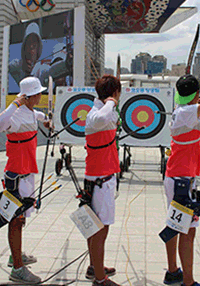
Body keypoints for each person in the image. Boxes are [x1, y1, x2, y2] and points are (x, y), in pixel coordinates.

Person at [163, 75, 200, 286]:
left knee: (174, 224)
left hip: (177, 176)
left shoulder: (182, 110)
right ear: (195, 94)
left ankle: (172, 271)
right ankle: (188, 281)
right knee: (188, 231)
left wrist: (195, 96)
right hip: (182, 180)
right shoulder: (188, 112)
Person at [0, 76, 50, 284]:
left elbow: (38, 116)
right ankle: (17, 268)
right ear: (28, 96)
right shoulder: (16, 115)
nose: (40, 95)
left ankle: (15, 255)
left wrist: (46, 120)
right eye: (37, 93)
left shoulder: (30, 113)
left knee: (22, 218)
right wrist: (14, 103)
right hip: (17, 176)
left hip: (27, 173)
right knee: (15, 221)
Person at [84, 75, 121, 286]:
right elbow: (99, 120)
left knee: (96, 225)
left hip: (102, 176)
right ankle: (100, 278)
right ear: (114, 93)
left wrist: (109, 104)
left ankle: (94, 266)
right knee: (100, 227)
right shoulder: (95, 114)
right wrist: (110, 102)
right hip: (100, 178)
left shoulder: (102, 112)